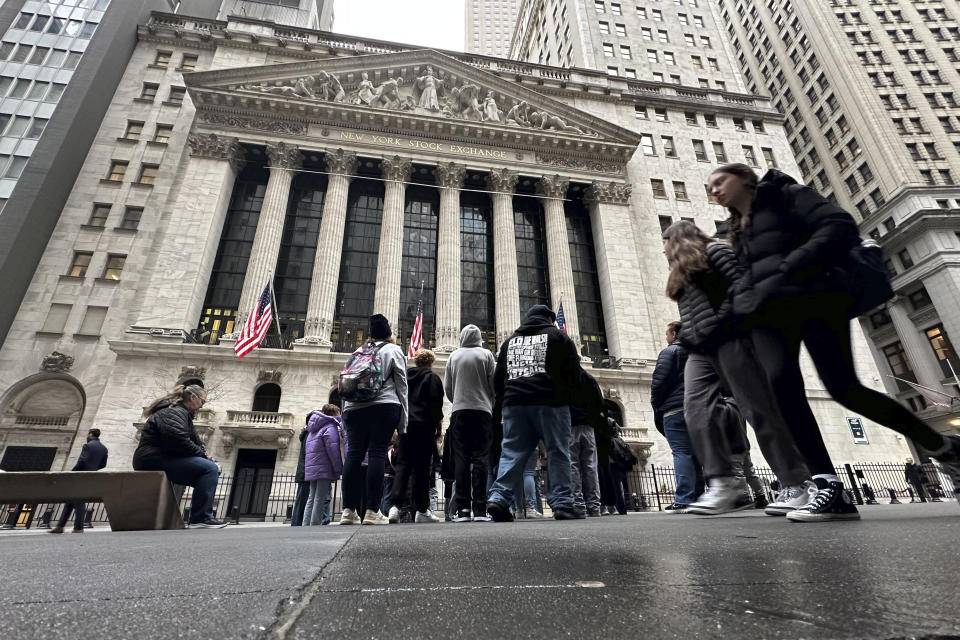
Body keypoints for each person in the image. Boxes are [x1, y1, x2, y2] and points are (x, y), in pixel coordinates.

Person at [708, 163, 960, 520]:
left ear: (744, 178)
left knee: (845, 389)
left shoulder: (788, 195)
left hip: (816, 296)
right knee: (782, 388)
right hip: (769, 313)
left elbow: (839, 226)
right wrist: (736, 308)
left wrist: (791, 264)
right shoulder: (737, 228)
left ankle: (943, 447)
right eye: (710, 187)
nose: (715, 190)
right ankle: (827, 487)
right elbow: (746, 276)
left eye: (720, 181)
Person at [662, 220, 813, 516]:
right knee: (695, 409)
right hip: (698, 349)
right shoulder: (679, 272)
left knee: (757, 408)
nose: (663, 248)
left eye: (665, 241)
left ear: (678, 239)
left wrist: (724, 324)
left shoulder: (715, 253)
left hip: (730, 339)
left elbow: (742, 289)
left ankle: (796, 481)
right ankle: (723, 484)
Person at [486, 304, 582, 522]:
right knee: (558, 450)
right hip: (550, 401)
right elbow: (573, 373)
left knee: (511, 451)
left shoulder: (509, 341)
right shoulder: (558, 337)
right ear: (549, 319)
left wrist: (503, 402)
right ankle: (562, 503)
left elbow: (498, 378)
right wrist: (569, 398)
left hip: (514, 403)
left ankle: (499, 498)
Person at [339, 314, 408, 525]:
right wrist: (403, 423)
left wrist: (345, 416)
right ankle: (372, 511)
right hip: (384, 406)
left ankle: (348, 511)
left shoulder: (357, 352)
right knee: (377, 453)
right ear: (388, 334)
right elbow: (402, 386)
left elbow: (346, 385)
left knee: (353, 455)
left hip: (353, 410)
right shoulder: (393, 350)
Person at [133, 385, 226, 529]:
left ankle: (200, 517)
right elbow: (178, 440)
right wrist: (203, 456)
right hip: (153, 458)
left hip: (161, 456)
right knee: (208, 469)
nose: (201, 406)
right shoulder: (173, 412)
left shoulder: (179, 412)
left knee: (208, 470)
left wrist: (204, 455)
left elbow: (185, 441)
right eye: (202, 402)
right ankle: (201, 518)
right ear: (193, 397)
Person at [445, 325, 497, 522]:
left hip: (460, 411)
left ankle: (463, 509)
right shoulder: (486, 355)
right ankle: (481, 509)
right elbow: (493, 385)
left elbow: (448, 388)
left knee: (461, 460)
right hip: (483, 412)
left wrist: (459, 400)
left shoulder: (454, 356)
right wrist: (488, 401)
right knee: (481, 458)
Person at [651, 321, 703, 513]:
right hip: (696, 406)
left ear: (674, 333)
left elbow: (658, 382)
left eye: (667, 334)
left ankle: (683, 498)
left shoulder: (669, 352)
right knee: (695, 454)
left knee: (681, 452)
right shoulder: (696, 352)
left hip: (674, 409)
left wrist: (656, 405)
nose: (666, 337)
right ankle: (698, 496)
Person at [389, 348, 444, 523]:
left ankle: (395, 508)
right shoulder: (432, 378)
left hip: (406, 427)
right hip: (425, 427)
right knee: (422, 469)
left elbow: (398, 398)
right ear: (431, 363)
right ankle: (422, 510)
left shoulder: (405, 376)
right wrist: (438, 426)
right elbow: (436, 404)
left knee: (403, 466)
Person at [49, 429, 108, 534]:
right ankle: (60, 526)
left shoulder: (88, 446)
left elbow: (82, 460)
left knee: (79, 500)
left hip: (79, 476)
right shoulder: (104, 449)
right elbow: (103, 464)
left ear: (90, 434)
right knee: (70, 500)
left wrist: (73, 472)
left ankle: (78, 527)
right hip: (90, 477)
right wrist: (93, 469)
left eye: (88, 434)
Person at [569, 368, 605, 517]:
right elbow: (600, 404)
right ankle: (594, 506)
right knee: (590, 466)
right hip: (588, 427)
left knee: (573, 465)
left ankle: (578, 504)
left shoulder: (564, 379)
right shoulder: (590, 379)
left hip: (570, 426)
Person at [303, 404, 344, 526]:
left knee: (312, 497)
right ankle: (314, 525)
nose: (339, 415)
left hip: (312, 467)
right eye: (338, 413)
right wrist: (338, 469)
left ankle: (306, 525)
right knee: (320, 498)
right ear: (333, 414)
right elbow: (333, 450)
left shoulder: (312, 429)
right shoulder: (330, 427)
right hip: (324, 467)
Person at [291, 424, 309, 526]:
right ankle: (297, 524)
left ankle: (297, 523)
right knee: (303, 500)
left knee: (302, 500)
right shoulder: (308, 434)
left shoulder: (306, 433)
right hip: (305, 472)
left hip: (304, 472)